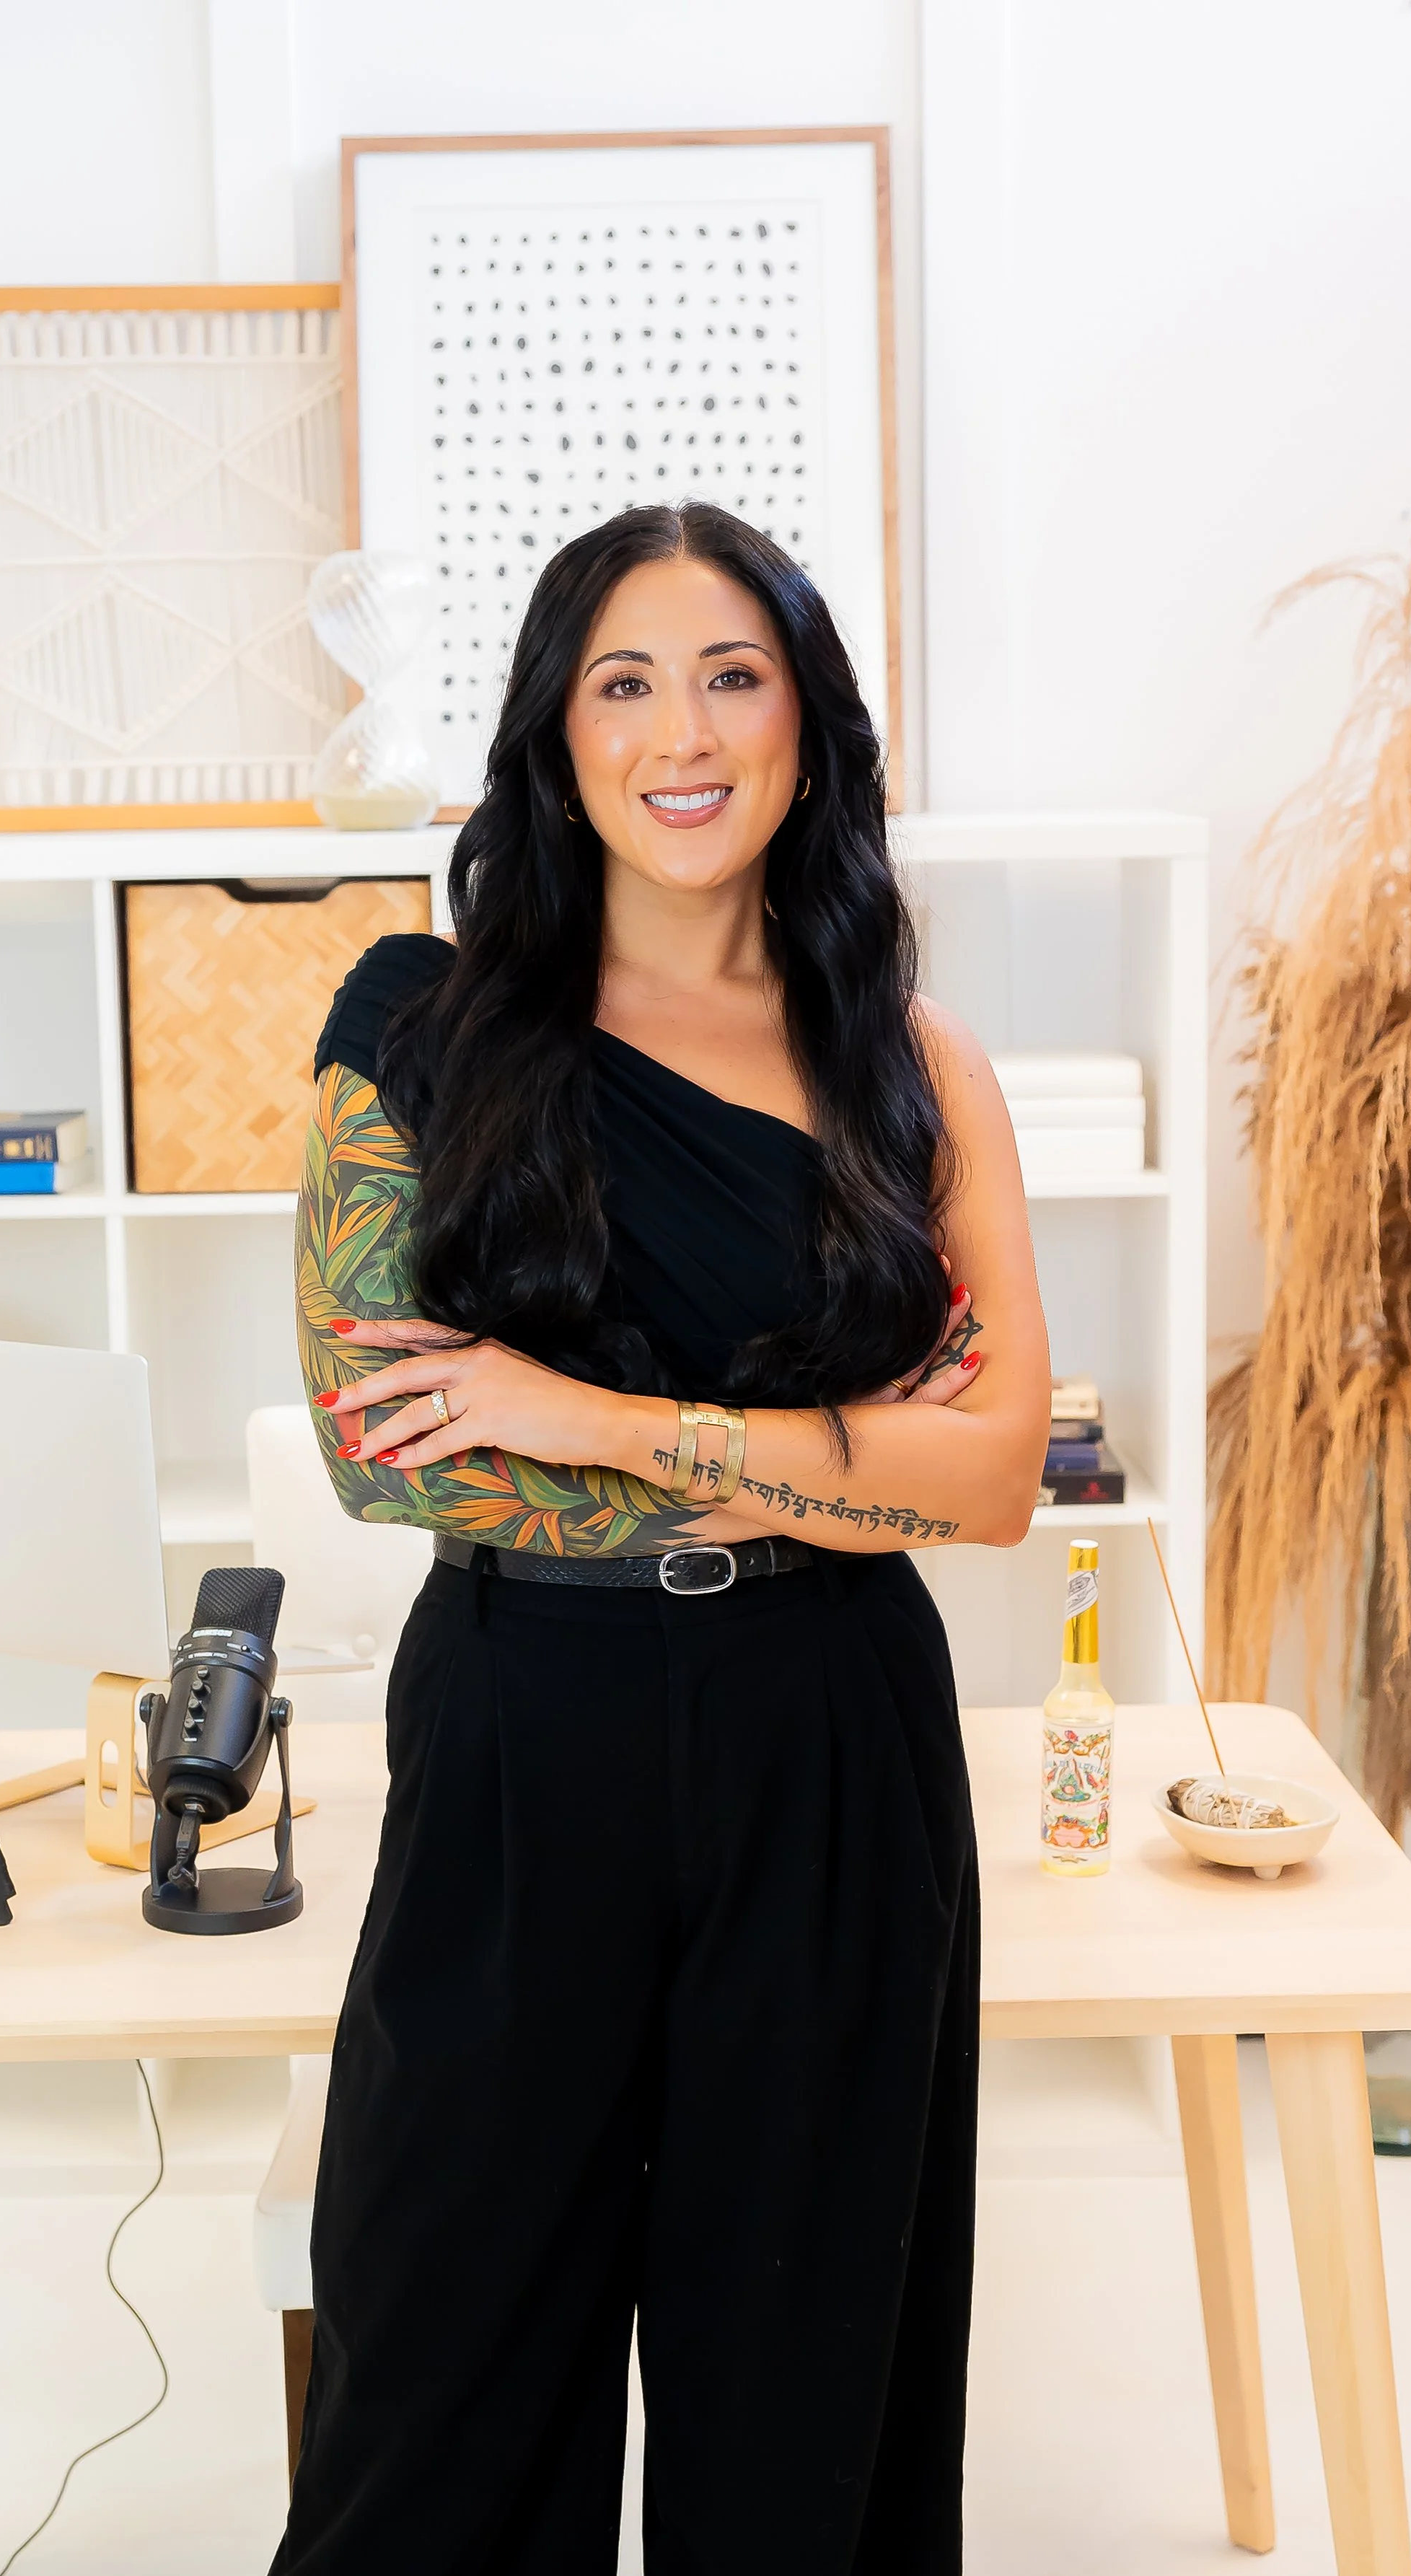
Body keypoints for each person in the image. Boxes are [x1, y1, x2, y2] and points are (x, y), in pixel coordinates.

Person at [272, 502, 1049, 2575]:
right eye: (622, 679)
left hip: (829, 1740)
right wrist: (825, 1449)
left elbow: (987, 1477)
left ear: (808, 726)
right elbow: (395, 1450)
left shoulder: (911, 1076)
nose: (679, 730)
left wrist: (591, 1414)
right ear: (553, 732)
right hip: (525, 1728)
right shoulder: (421, 1030)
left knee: (808, 2385)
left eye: (731, 675)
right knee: (434, 2368)